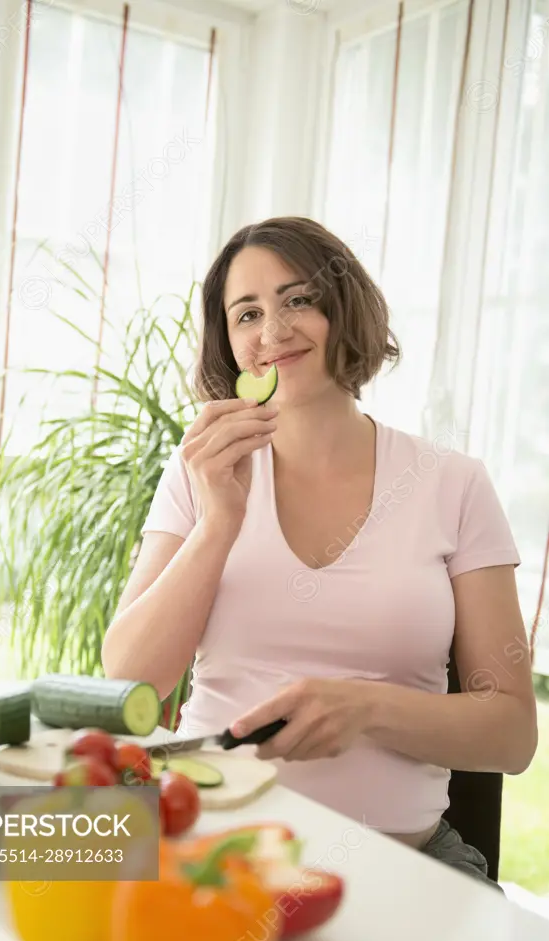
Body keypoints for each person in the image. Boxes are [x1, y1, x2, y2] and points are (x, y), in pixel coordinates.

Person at [101, 216, 538, 890]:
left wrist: (366, 709)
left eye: (297, 299)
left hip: (403, 865)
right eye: (246, 313)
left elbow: (510, 735)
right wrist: (219, 521)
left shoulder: (452, 484)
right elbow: (131, 679)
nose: (272, 331)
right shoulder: (200, 475)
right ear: (228, 344)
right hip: (209, 852)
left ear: (343, 310)